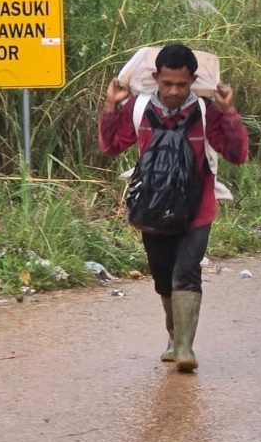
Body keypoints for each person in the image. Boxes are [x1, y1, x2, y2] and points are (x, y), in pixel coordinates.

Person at [99, 44, 250, 372]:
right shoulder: (138, 109)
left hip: (198, 208)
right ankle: (173, 335)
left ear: (193, 80)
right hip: (151, 208)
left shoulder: (207, 112)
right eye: (167, 84)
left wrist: (229, 113)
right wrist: (112, 106)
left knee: (186, 270)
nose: (174, 91)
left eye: (182, 85)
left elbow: (237, 155)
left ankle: (184, 347)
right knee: (162, 276)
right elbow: (111, 146)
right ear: (156, 78)